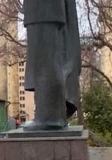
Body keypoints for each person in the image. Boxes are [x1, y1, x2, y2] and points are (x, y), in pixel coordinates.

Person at [22, 0, 81, 130]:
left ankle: (50, 118)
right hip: (43, 11)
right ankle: (50, 116)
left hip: (44, 10)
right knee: (44, 61)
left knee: (45, 62)